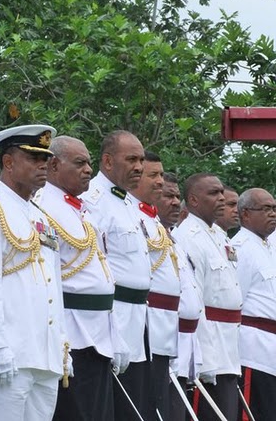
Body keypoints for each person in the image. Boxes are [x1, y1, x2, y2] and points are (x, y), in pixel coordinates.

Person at [0, 124, 70, 421]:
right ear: (8, 162)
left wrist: (62, 344)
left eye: (45, 159)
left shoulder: (42, 217)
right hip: (11, 352)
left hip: (46, 355)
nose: (42, 166)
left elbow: (54, 285)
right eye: (33, 158)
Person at [39, 136, 123, 421]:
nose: (88, 169)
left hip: (99, 332)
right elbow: (47, 280)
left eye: (88, 163)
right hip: (72, 333)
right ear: (53, 165)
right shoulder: (43, 207)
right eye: (79, 163)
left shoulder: (80, 208)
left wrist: (115, 334)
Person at [81, 130, 151, 420]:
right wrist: (112, 331)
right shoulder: (93, 200)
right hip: (114, 316)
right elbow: (95, 267)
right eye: (131, 159)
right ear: (108, 161)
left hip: (137, 318)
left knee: (135, 406)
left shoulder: (127, 202)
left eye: (141, 160)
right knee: (113, 408)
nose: (139, 167)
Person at [173, 173, 242, 421]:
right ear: (193, 200)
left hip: (229, 348)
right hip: (210, 350)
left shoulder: (219, 235)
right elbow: (195, 300)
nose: (221, 198)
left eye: (222, 192)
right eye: (214, 193)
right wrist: (204, 361)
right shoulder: (189, 237)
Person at [128, 151, 181, 419]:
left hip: (165, 331)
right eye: (153, 175)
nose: (160, 181)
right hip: (144, 326)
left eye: (161, 174)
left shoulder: (154, 221)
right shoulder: (130, 214)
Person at [156, 173, 203, 421]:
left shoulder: (176, 241)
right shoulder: (150, 235)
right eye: (168, 196)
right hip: (162, 340)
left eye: (177, 196)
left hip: (185, 346)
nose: (175, 202)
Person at [231, 188, 276, 420]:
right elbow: (235, 301)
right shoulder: (241, 248)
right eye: (266, 209)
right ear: (246, 214)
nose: (273, 213)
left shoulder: (268, 247)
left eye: (274, 208)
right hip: (254, 351)